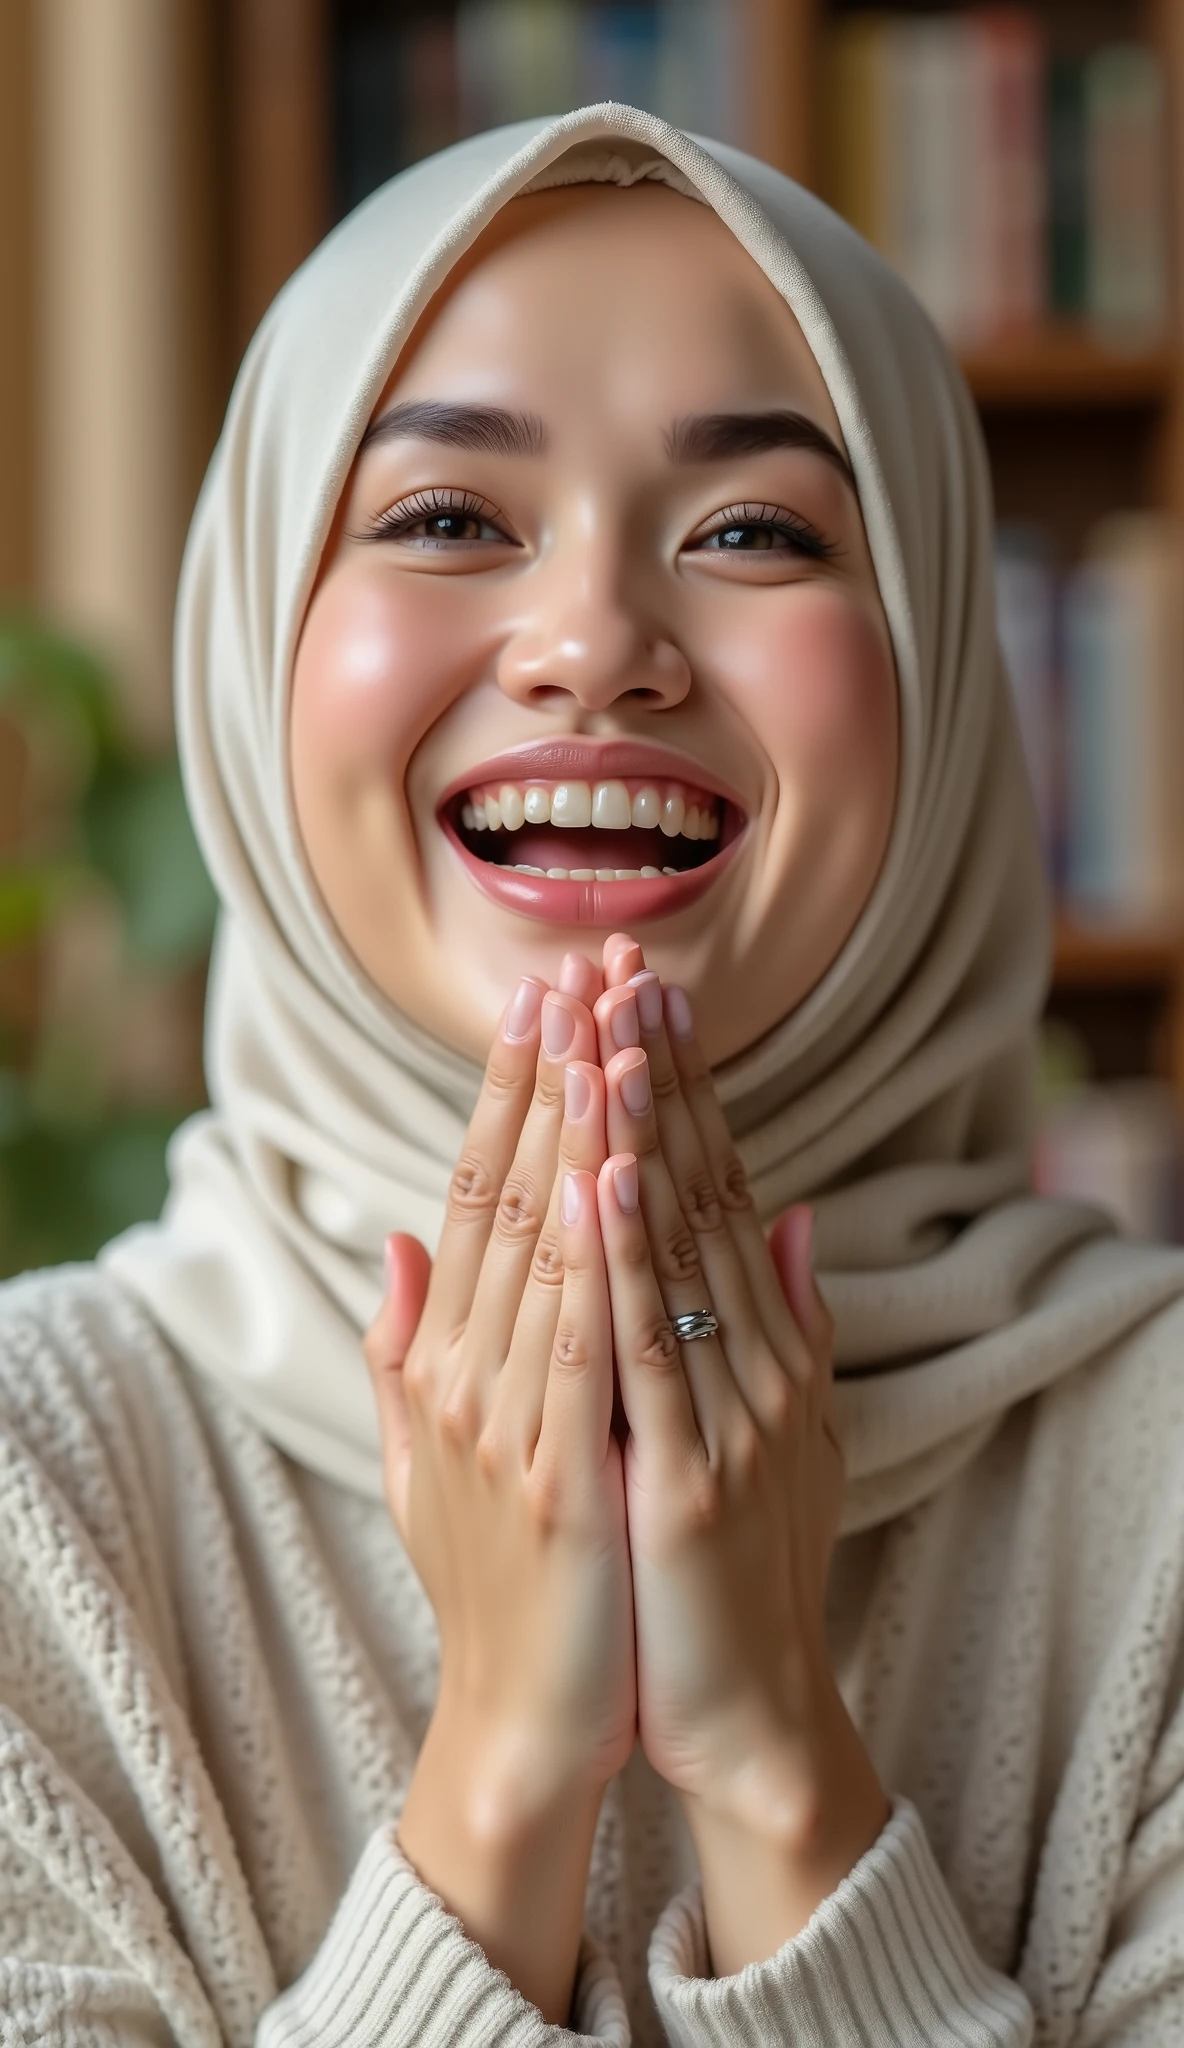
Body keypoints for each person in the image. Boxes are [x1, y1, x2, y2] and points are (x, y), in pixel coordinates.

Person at [3, 103, 1183, 2048]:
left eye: (753, 533)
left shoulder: (1151, 1471)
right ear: (253, 656)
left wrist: (779, 1766)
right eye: (450, 518)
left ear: (946, 665)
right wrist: (500, 1781)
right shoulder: (35, 1483)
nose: (594, 642)